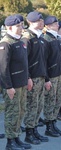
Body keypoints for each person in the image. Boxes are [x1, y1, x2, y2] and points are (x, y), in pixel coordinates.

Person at [0, 15, 31, 150]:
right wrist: (8, 86)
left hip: (22, 83)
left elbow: (24, 63)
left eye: (22, 25)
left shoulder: (20, 41)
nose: (21, 28)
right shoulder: (6, 43)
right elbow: (3, 68)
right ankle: (10, 142)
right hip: (12, 85)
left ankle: (17, 137)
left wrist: (28, 78)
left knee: (20, 111)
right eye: (18, 26)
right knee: (12, 113)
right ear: (9, 27)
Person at [22, 11, 49, 145]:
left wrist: (47, 78)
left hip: (41, 76)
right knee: (31, 106)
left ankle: (34, 130)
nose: (41, 22)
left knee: (39, 106)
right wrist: (28, 77)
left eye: (42, 20)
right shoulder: (27, 37)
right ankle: (28, 133)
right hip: (32, 77)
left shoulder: (40, 38)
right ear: (30, 22)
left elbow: (44, 61)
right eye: (38, 21)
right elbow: (24, 61)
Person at [43, 15, 61, 137]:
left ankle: (53, 123)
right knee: (50, 101)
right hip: (51, 75)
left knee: (57, 100)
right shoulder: (46, 39)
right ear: (48, 26)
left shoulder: (55, 39)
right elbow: (44, 61)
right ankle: (48, 126)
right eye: (55, 24)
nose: (57, 25)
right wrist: (46, 79)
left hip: (59, 74)